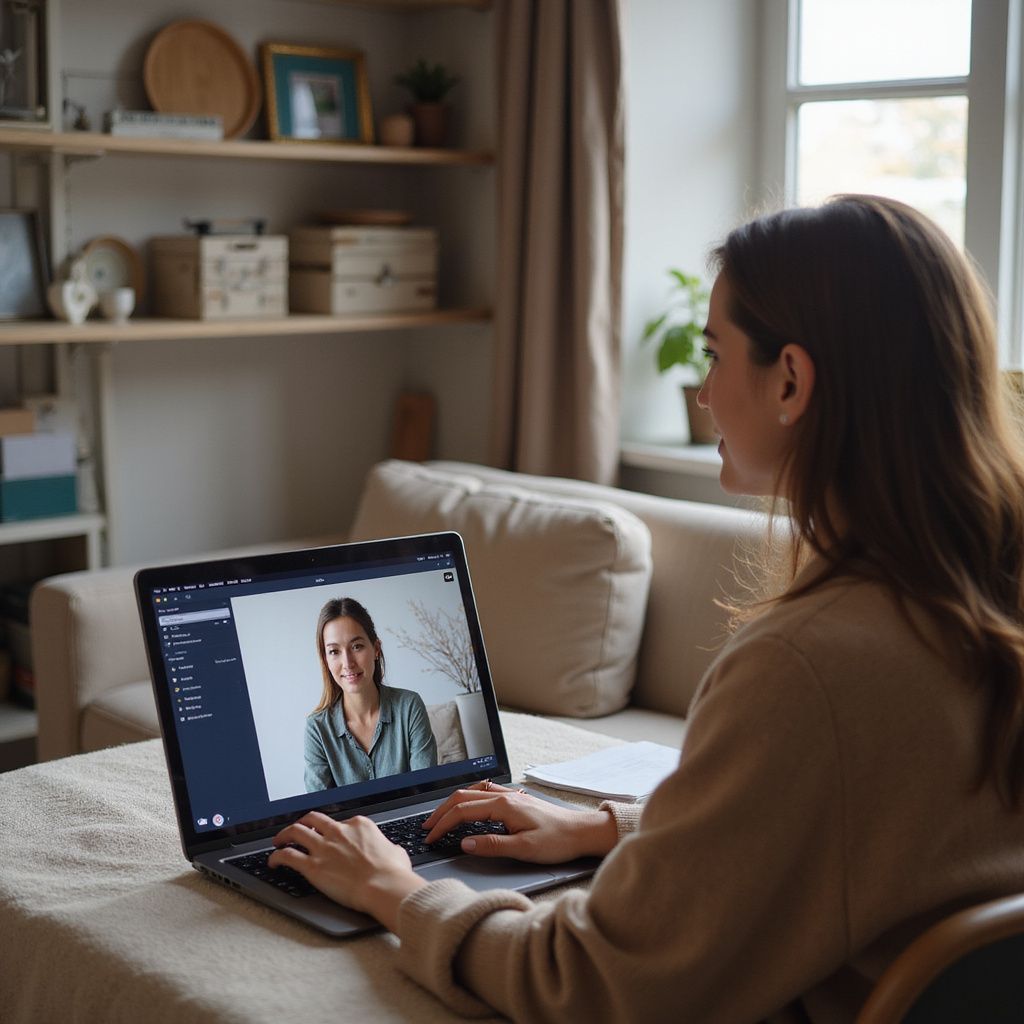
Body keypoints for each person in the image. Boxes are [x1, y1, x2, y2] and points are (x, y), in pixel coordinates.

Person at [271, 196, 1024, 1022]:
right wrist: (614, 829)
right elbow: (855, 831)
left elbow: (589, 986)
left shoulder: (809, 667)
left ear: (792, 380)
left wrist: (396, 890)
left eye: (714, 355)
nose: (703, 393)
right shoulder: (982, 595)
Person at [303, 597, 437, 792]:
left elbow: (426, 792)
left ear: (375, 649)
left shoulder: (409, 706)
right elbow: (323, 816)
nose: (347, 663)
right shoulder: (316, 729)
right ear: (325, 659)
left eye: (356, 646)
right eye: (334, 651)